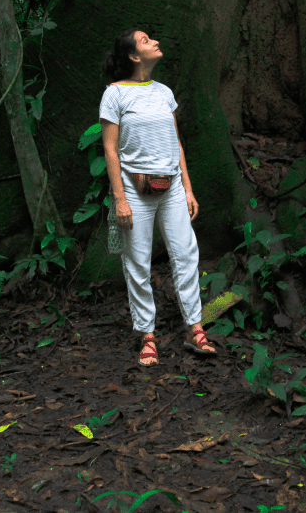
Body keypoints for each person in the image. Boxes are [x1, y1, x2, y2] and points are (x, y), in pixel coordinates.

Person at [98, 27, 217, 366]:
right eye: (146, 41)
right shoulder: (115, 95)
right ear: (135, 56)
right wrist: (119, 198)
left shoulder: (164, 92)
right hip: (134, 192)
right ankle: (147, 335)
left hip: (172, 187)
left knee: (185, 255)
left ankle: (195, 328)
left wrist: (189, 188)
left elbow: (176, 142)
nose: (156, 42)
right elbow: (109, 149)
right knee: (137, 262)